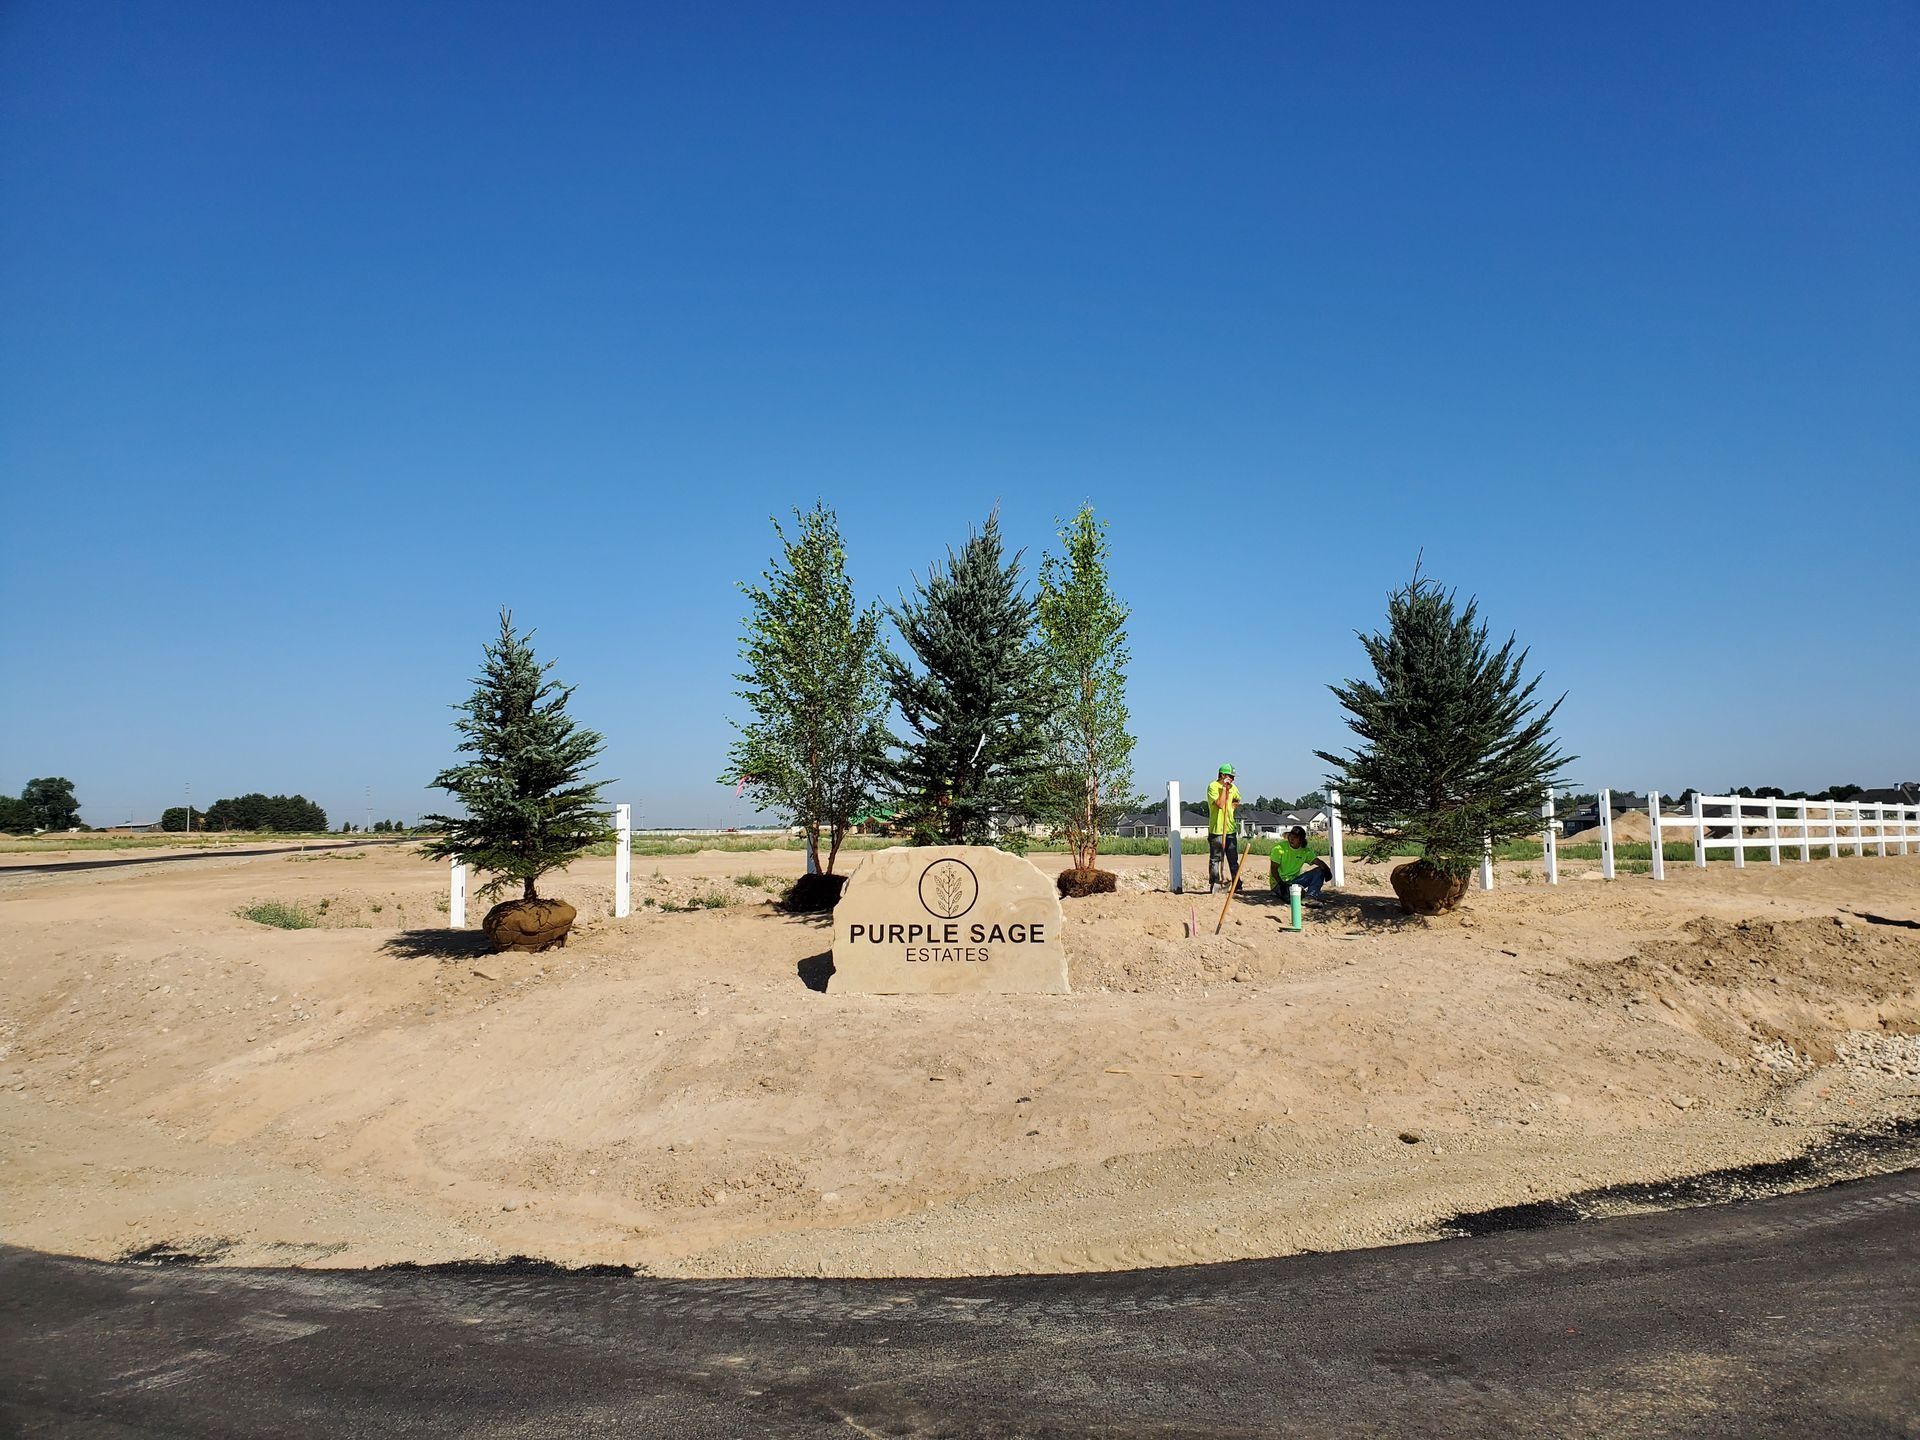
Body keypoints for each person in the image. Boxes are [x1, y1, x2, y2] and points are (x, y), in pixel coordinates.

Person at [1269, 826, 1332, 902]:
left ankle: (1310, 897)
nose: (1291, 839)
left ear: (1301, 840)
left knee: (1319, 871)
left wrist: (1327, 869)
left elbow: (1318, 862)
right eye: (1290, 836)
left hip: (1294, 881)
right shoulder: (1279, 848)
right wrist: (1280, 883)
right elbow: (1274, 869)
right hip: (1279, 882)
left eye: (1295, 837)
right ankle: (1279, 892)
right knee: (1297, 895)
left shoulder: (1305, 851)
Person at [1207, 764, 1241, 891]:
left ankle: (1236, 884)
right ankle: (1215, 883)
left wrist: (1232, 806)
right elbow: (1220, 805)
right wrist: (1224, 789)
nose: (1233, 779)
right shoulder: (1213, 787)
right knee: (1216, 859)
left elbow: (1237, 799)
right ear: (1222, 775)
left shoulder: (1234, 788)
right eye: (1230, 776)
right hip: (1217, 830)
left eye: (1233, 777)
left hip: (1230, 829)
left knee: (1233, 859)